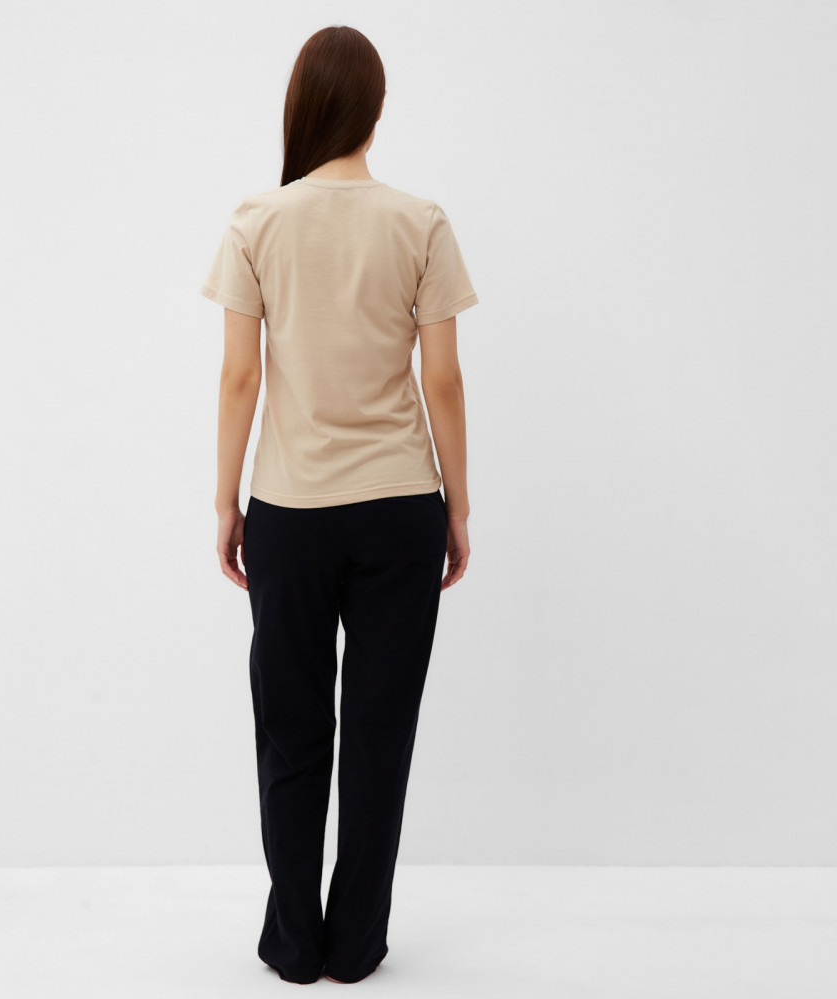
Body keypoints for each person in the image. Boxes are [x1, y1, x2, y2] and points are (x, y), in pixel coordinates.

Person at [199, 25, 478, 986]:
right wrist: (459, 505)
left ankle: (294, 941)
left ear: (301, 106)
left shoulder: (256, 222)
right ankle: (356, 944)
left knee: (291, 731)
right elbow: (443, 381)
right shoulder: (420, 222)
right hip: (401, 507)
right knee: (378, 734)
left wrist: (226, 500)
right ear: (376, 110)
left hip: (290, 508)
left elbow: (240, 378)